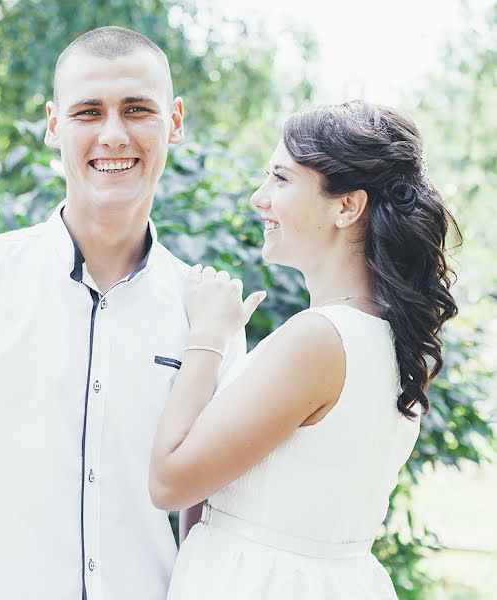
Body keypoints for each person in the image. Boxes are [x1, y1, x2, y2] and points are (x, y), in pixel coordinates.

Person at [0, 26, 246, 600]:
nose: (112, 134)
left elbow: (207, 521)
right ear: (53, 124)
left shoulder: (209, 316)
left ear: (174, 120)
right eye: (88, 111)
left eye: (137, 109)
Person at [149, 99, 460, 599]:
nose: (258, 198)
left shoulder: (318, 339)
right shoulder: (393, 340)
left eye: (281, 179)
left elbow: (170, 482)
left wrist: (207, 338)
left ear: (346, 206)